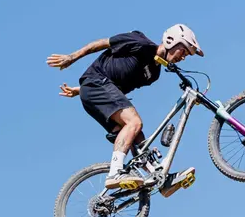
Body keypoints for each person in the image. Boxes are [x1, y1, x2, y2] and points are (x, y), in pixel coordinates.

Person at [47, 24, 203, 193]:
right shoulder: (140, 42)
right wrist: (72, 57)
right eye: (183, 51)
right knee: (134, 122)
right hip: (96, 82)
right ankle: (115, 173)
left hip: (95, 91)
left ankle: (160, 180)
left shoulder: (153, 74)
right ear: (171, 41)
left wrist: (80, 91)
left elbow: (119, 88)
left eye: (187, 55)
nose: (183, 57)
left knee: (137, 137)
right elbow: (102, 43)